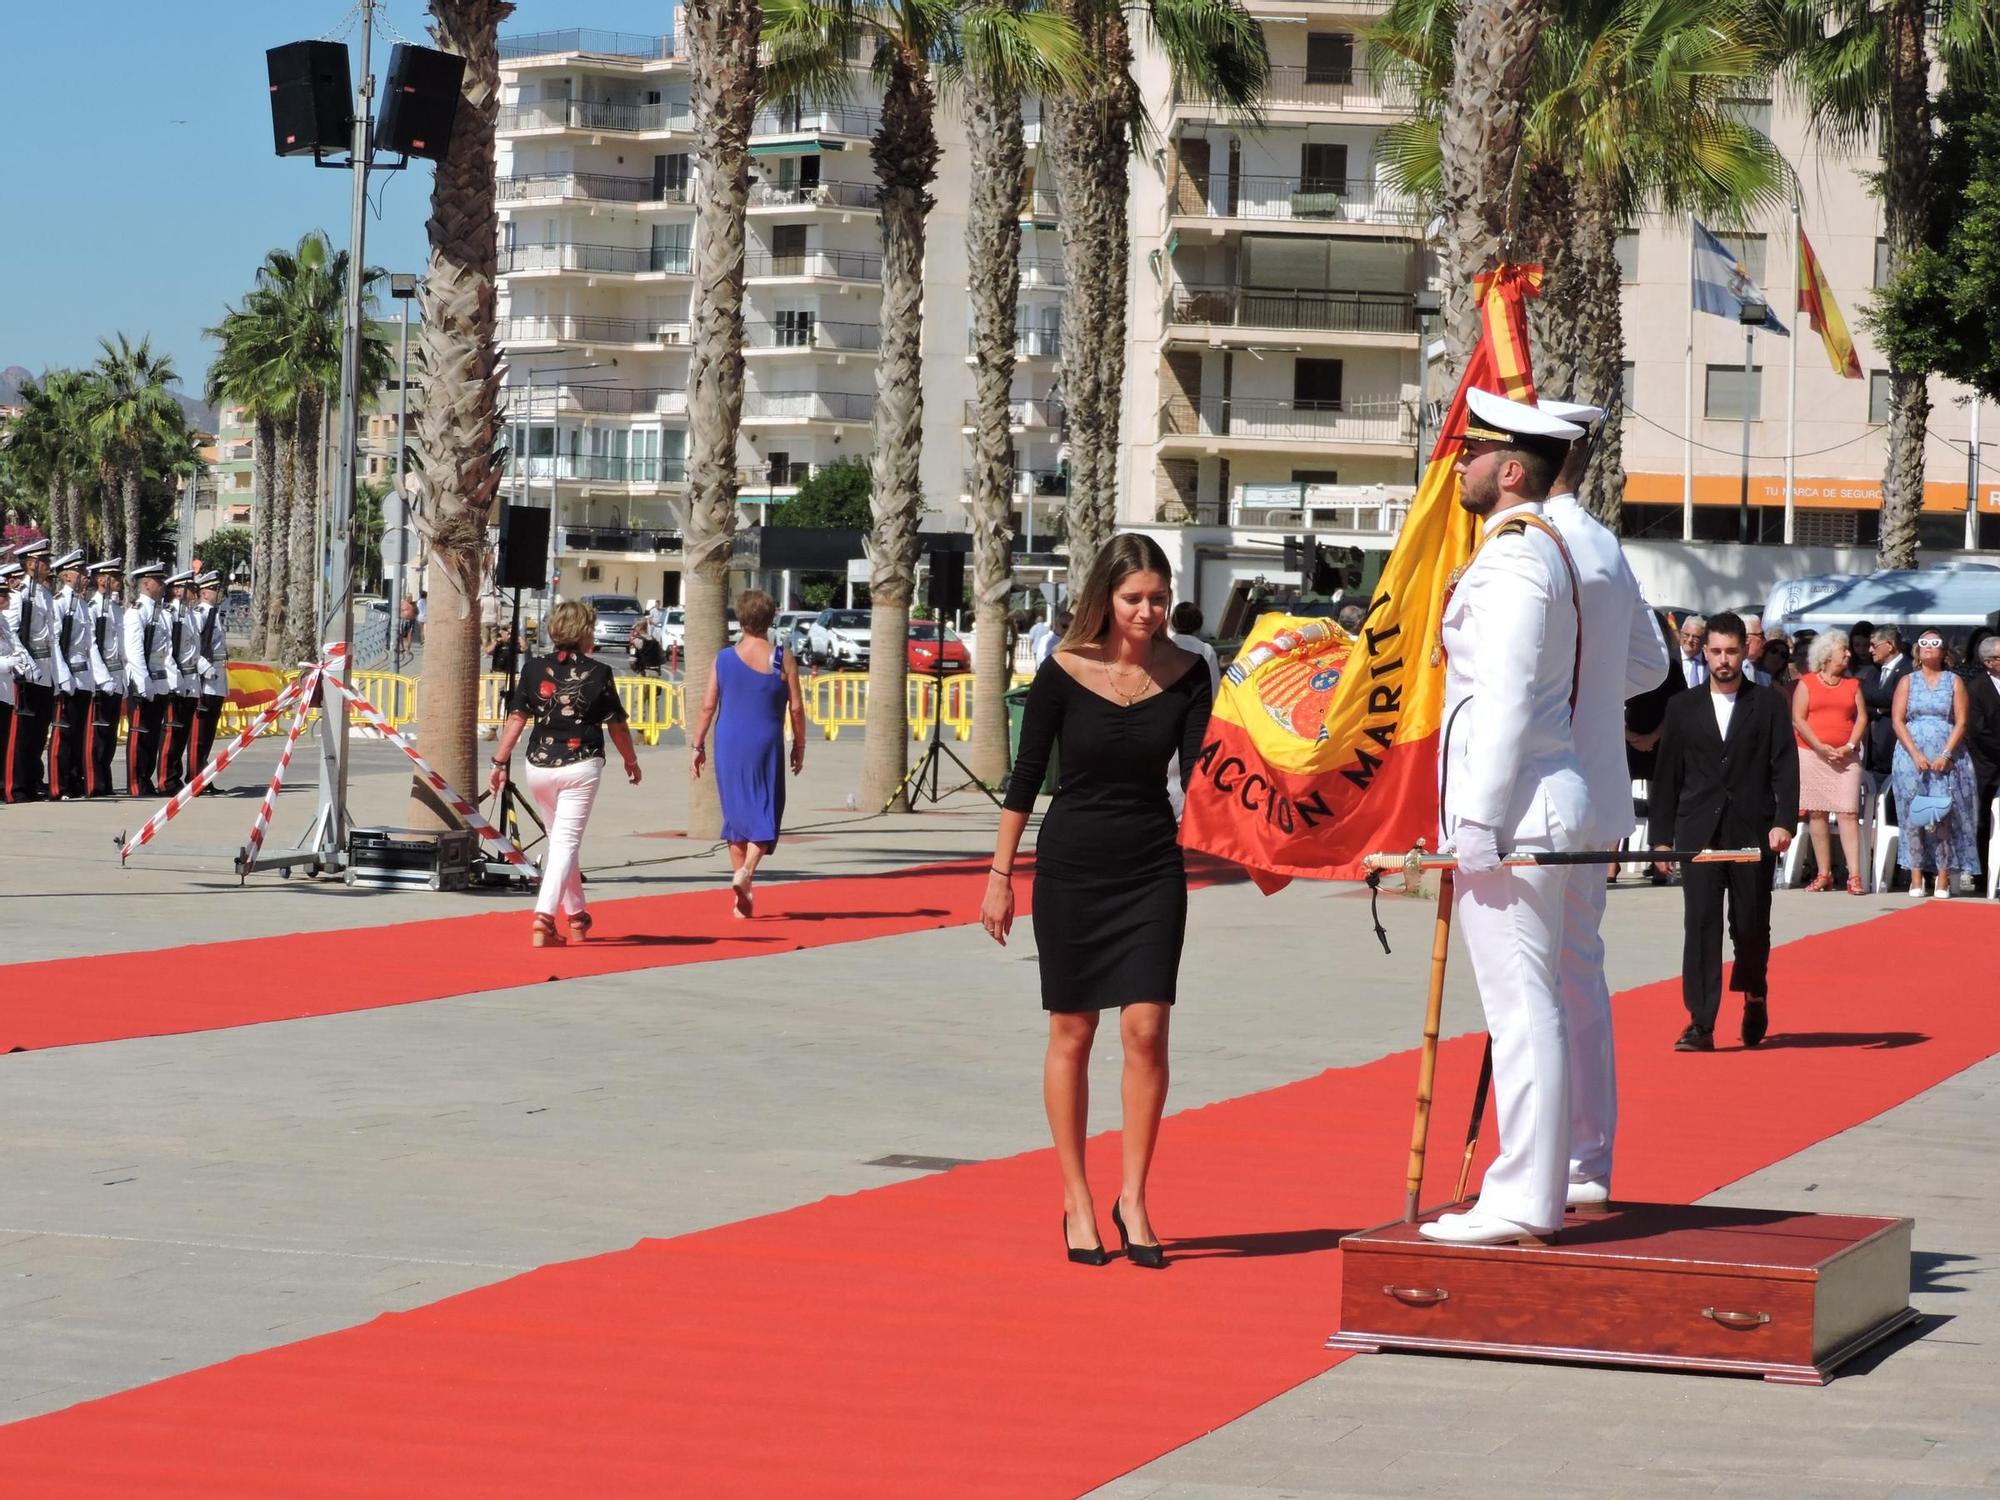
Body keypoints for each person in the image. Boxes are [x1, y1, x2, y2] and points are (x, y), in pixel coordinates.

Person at [981, 534, 1212, 1267]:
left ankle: (1134, 1197)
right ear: (1105, 599)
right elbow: (1027, 777)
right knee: (1072, 1031)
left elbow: (1207, 778)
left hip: (1151, 866)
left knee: (1146, 1029)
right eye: (1132, 598)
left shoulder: (1189, 674)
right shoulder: (1062, 671)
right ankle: (1077, 1199)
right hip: (1073, 865)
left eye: (1157, 598)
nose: (1147, 611)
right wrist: (999, 874)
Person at [1422, 389, 1591, 1246]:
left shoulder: (1519, 559)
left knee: (1522, 1009)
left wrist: (1477, 821)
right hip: (1524, 806)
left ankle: (1525, 1195)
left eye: (1473, 451)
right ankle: (1531, 1188)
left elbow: (1511, 700)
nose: (1459, 462)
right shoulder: (1519, 551)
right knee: (1528, 1005)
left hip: (1517, 810)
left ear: (1512, 469)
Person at [1538, 399, 1672, 1208]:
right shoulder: (1601, 542)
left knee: (1529, 987)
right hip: (1596, 793)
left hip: (1536, 798)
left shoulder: (1532, 542)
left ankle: (1542, 1168)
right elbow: (1651, 664)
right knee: (1579, 975)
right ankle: (1586, 1159)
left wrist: (1566, 699)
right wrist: (1591, 703)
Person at [1651, 612, 1798, 1052]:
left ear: (1744, 650)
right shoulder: (1682, 707)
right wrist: (1661, 837)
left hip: (1752, 833)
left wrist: (1782, 823)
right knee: (1700, 924)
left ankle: (1754, 994)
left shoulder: (1768, 703)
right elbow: (1667, 776)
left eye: (1730, 651)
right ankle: (1701, 1022)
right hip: (1698, 832)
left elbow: (1785, 767)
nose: (1722, 660)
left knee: (1750, 925)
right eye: (1715, 651)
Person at [487, 600, 642, 947]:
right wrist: (631, 761)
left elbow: (516, 719)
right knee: (565, 842)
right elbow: (617, 725)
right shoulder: (599, 672)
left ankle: (577, 916)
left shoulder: (533, 669)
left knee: (561, 842)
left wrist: (498, 763)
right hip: (581, 763)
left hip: (539, 765)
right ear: (586, 631)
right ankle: (543, 916)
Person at [688, 589, 806, 918]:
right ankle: (746, 874)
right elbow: (796, 708)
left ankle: (743, 895)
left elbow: (708, 705)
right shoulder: (782, 657)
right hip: (765, 741)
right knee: (767, 810)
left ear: (740, 620)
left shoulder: (724, 658)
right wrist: (800, 744)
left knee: (737, 815)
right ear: (770, 619)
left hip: (728, 741)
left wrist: (697, 745)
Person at [1889, 630, 1979, 898]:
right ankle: (1916, 875)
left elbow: (1961, 721)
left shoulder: (1954, 682)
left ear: (1943, 651)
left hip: (1946, 757)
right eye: (1924, 643)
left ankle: (1942, 876)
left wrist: (1946, 754)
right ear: (1918, 650)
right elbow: (1897, 720)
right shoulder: (1907, 681)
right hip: (1910, 757)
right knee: (1912, 815)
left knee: (1942, 816)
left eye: (1934, 643)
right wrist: (1916, 754)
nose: (1929, 648)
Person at [1791, 630, 1867, 893]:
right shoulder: (1807, 683)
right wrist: (1819, 747)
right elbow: (1798, 719)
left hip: (1846, 758)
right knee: (1818, 812)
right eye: (1842, 649)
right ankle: (1824, 873)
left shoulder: (1852, 685)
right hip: (1813, 755)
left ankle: (1854, 875)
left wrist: (1848, 746)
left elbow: (1861, 719)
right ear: (1826, 654)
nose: (1848, 653)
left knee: (1848, 812)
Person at [6, 538, 58, 801]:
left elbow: (52, 638)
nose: (48, 565)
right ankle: (16, 786)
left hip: (46, 670)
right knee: (23, 734)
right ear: (30, 564)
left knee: (39, 732)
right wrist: (26, 664)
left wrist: (56, 675)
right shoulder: (19, 596)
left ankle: (32, 781)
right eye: (43, 561)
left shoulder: (46, 595)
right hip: (27, 674)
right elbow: (12, 634)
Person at [47, 550, 93, 800]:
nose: (85, 577)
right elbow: (55, 642)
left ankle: (74, 781)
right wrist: (62, 675)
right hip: (68, 675)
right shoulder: (60, 603)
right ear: (66, 575)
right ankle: (58, 785)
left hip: (83, 676)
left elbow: (88, 644)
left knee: (77, 733)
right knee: (63, 734)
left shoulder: (81, 604)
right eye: (80, 572)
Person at [122, 563, 171, 796]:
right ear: (146, 584)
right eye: (159, 582)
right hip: (143, 682)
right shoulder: (137, 611)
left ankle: (146, 778)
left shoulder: (159, 612)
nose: (163, 586)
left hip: (159, 680)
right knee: (140, 734)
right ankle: (136, 782)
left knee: (152, 735)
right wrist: (143, 683)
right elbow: (134, 652)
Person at [1859, 626, 1911, 823]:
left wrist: (1881, 704)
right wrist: (1882, 708)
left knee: (1894, 811)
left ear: (1889, 645)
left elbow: (1895, 697)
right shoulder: (1874, 672)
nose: (1870, 650)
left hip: (1896, 748)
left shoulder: (1908, 669)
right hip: (1874, 752)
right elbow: (1864, 698)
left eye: (1874, 645)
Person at [86, 559, 127, 798]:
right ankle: (94, 782)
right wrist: (102, 679)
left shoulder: (115, 608)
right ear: (101, 579)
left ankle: (105, 781)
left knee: (109, 736)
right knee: (97, 737)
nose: (119, 580)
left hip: (116, 676)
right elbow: (91, 647)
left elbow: (120, 649)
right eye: (114, 576)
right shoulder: (92, 608)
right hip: (101, 679)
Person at [161, 570, 201, 796]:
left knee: (182, 733)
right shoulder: (171, 614)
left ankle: (175, 776)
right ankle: (166, 779)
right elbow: (168, 651)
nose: (194, 593)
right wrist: (176, 680)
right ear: (177, 590)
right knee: (171, 733)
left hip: (190, 678)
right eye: (190, 589)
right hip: (177, 679)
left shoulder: (190, 614)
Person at [190, 571, 230, 790]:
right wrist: (204, 671)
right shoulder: (200, 614)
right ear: (204, 593)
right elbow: (196, 648)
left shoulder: (214, 614)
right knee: (199, 735)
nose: (218, 593)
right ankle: (195, 778)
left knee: (208, 735)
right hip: (206, 680)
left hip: (217, 679)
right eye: (214, 589)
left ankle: (203, 776)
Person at [1674, 612, 1709, 689]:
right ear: (1680, 633)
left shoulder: (1710, 661)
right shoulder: (1671, 659)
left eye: (1695, 637)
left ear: (1704, 640)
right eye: (1686, 635)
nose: (1689, 640)